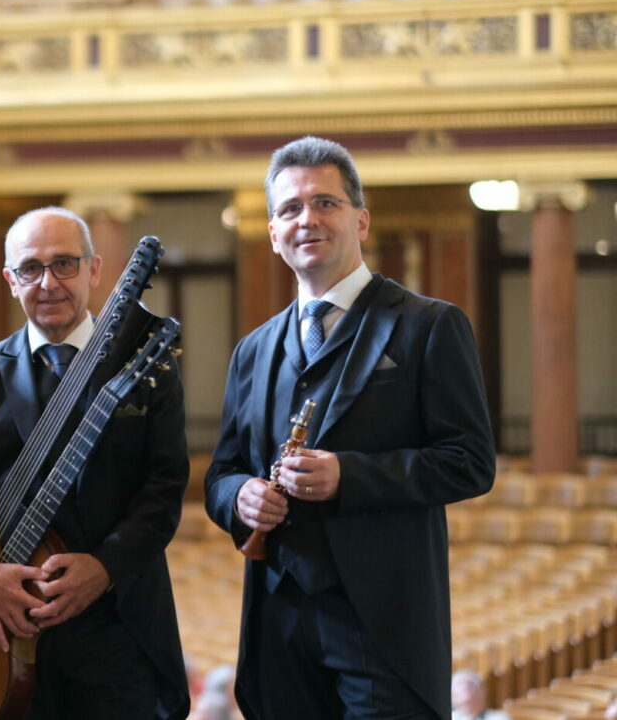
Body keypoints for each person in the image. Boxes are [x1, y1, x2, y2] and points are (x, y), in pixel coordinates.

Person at [204, 136, 495, 719]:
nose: (306, 218)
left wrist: (348, 476)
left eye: (325, 203)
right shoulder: (252, 350)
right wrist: (241, 497)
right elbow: (221, 475)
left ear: (361, 220)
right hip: (277, 622)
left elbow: (470, 461)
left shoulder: (430, 325)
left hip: (383, 623)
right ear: (272, 233)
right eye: (289, 209)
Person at [0, 206, 191, 719]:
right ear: (10, 281)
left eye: (65, 264)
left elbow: (165, 486)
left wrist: (105, 568)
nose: (48, 283)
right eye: (30, 268)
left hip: (116, 625)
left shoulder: (147, 363)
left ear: (94, 269)